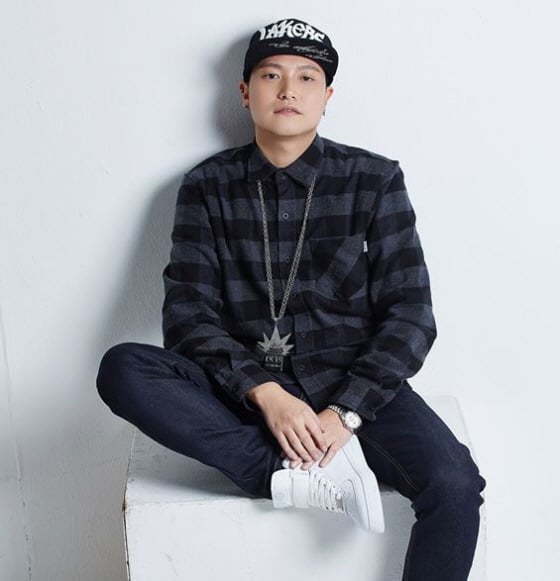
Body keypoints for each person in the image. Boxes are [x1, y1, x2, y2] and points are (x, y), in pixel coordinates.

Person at [97, 17, 485, 580]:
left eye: (306, 78)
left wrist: (344, 412)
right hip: (244, 389)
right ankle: (278, 473)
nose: (287, 90)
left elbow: (411, 315)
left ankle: (304, 456)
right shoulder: (206, 186)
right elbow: (187, 316)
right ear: (244, 91)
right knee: (123, 368)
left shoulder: (373, 180)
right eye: (270, 75)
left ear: (327, 97)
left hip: (350, 382)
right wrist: (266, 393)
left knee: (455, 485)